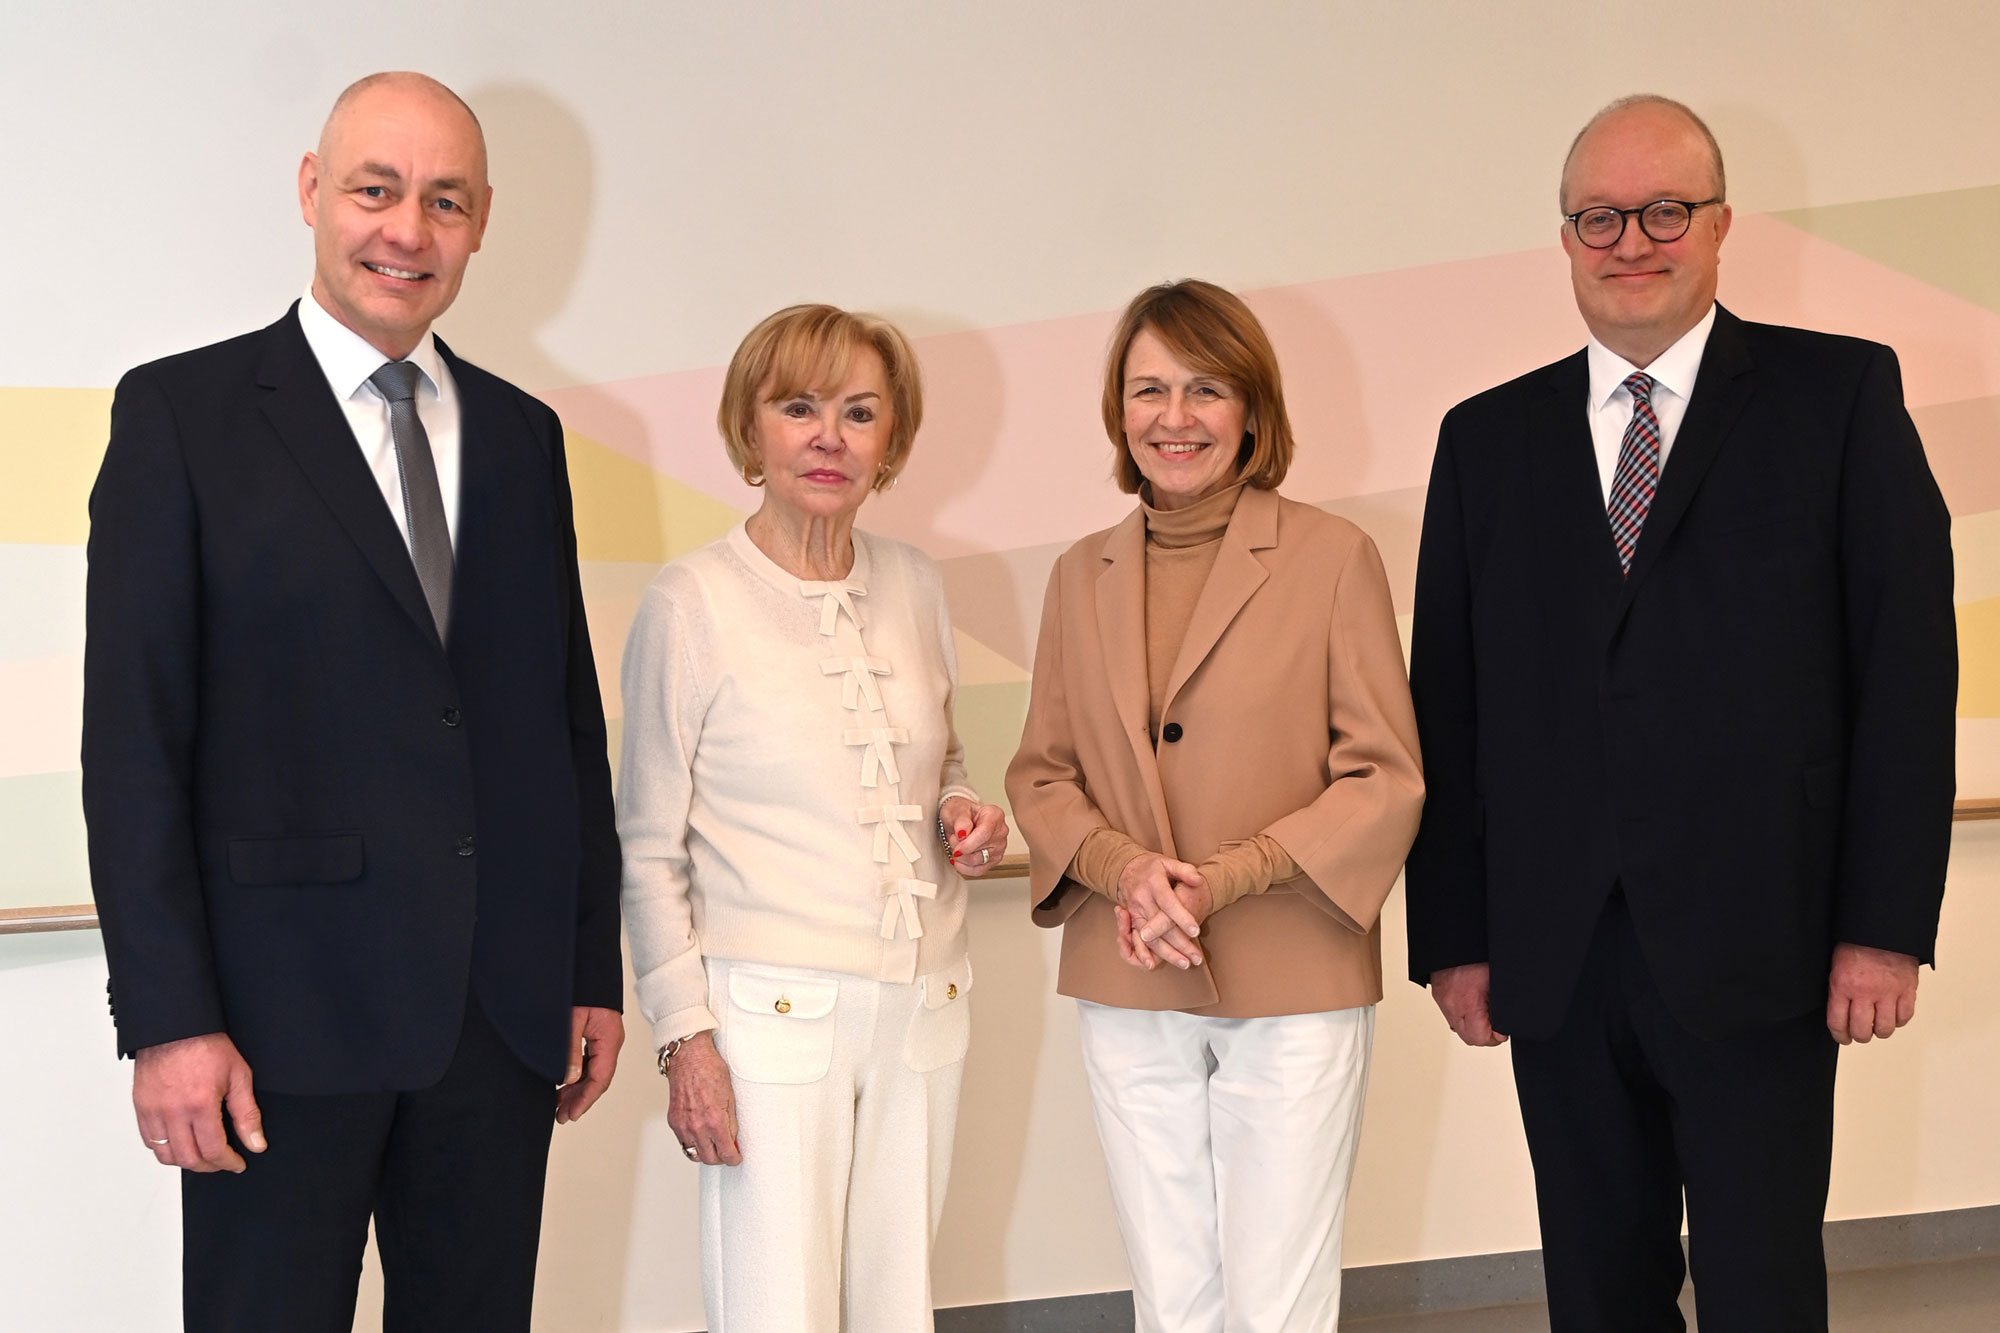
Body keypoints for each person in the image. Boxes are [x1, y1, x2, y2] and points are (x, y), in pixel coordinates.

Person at [81, 72, 623, 1331]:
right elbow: (133, 746)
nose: (407, 230)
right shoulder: (181, 415)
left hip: (496, 1024)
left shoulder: (523, 435)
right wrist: (168, 1023)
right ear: (313, 192)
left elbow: (564, 728)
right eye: (376, 190)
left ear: (482, 220)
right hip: (273, 1030)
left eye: (444, 201)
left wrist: (585, 965)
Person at [1405, 94, 1957, 1330]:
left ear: (1719, 226)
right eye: (1598, 215)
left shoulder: (1839, 398)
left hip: (1763, 940)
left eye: (1664, 210)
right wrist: (1453, 934)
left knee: (1762, 1288)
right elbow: (1446, 698)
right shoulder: (1483, 440)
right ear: (1563, 238)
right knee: (1598, 1295)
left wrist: (1882, 925)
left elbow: (1907, 673)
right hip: (1553, 953)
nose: (1630, 240)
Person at [1006, 279, 1425, 1331]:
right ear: (1117, 410)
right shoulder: (1075, 574)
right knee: (1170, 1290)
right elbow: (1041, 773)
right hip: (1128, 962)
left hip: (1292, 966)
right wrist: (1129, 874)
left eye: (1204, 388)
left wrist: (1225, 876)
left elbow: (1382, 772)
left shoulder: (1333, 557)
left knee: (1276, 1294)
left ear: (1251, 408)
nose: (1174, 416)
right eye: (1147, 389)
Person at [617, 303, 1010, 1332]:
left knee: (899, 1303)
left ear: (892, 442)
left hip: (926, 1007)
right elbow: (646, 847)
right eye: (799, 407)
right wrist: (683, 1037)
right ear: (752, 431)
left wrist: (964, 809)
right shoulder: (689, 602)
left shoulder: (917, 583)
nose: (828, 435)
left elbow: (942, 753)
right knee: (772, 1308)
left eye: (859, 412)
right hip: (768, 1020)